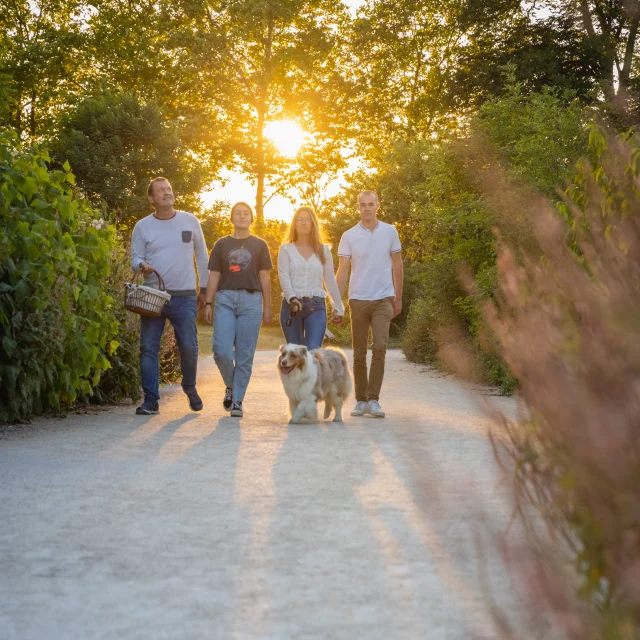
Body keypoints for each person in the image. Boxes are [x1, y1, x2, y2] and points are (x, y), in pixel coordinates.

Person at [131, 177, 208, 415]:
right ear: (151, 199)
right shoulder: (142, 226)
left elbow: (203, 256)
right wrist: (142, 264)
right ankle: (151, 400)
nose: (167, 193)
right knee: (148, 348)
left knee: (190, 346)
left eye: (169, 189)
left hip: (184, 295)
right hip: (152, 297)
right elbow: (134, 258)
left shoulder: (190, 220)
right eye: (161, 191)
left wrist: (204, 290)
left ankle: (189, 387)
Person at [335, 190, 403, 418]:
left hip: (384, 298)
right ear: (358, 207)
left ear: (377, 205)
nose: (367, 208)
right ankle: (360, 400)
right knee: (359, 352)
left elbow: (397, 265)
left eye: (370, 204)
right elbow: (342, 270)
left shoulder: (390, 231)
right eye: (362, 205)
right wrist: (337, 302)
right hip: (358, 299)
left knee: (380, 347)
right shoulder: (349, 236)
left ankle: (373, 400)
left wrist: (398, 296)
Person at [204, 202, 272, 418]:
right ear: (232, 218)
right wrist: (208, 302)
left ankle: (238, 401)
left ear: (251, 218)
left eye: (246, 213)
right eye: (238, 213)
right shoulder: (222, 244)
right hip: (225, 299)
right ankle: (231, 385)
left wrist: (268, 307)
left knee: (244, 355)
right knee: (221, 350)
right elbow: (214, 275)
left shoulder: (260, 245)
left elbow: (265, 277)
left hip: (252, 301)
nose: (242, 216)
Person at [277, 206, 344, 349]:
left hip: (316, 306)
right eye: (299, 219)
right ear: (294, 223)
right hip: (291, 307)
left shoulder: (323, 250)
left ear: (313, 223)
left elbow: (330, 280)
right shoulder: (286, 250)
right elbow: (284, 277)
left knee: (313, 353)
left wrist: (338, 307)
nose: (303, 222)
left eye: (307, 219)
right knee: (296, 356)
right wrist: (292, 298)